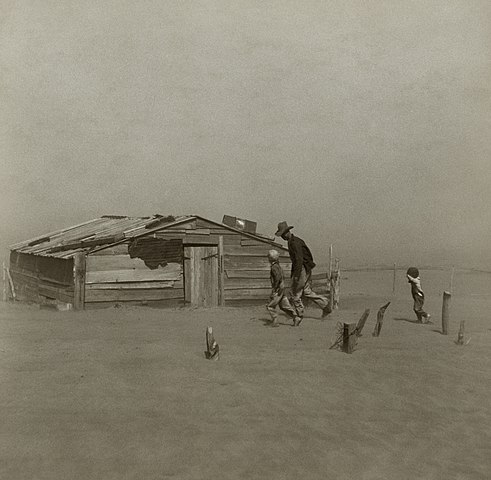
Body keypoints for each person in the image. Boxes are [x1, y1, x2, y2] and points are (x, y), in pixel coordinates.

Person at [275, 221, 331, 325]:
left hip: (302, 269)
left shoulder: (295, 243)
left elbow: (299, 260)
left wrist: (296, 276)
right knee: (307, 292)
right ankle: (325, 305)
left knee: (296, 294)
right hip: (304, 268)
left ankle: (299, 316)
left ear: (287, 232)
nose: (282, 237)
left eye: (282, 234)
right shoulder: (292, 241)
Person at [266, 249, 299, 327]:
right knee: (284, 305)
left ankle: (275, 321)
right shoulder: (278, 266)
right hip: (282, 288)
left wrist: (275, 288)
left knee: (270, 306)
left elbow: (277, 277)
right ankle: (295, 317)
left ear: (270, 258)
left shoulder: (274, 267)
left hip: (278, 289)